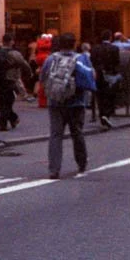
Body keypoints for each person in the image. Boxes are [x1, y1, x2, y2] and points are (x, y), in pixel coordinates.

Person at [40, 33, 96, 180]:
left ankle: (54, 169)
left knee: (56, 135)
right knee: (77, 133)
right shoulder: (81, 59)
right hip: (76, 102)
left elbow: (43, 77)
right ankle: (81, 163)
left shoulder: (51, 59)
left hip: (55, 103)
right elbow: (91, 77)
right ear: (74, 44)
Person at [0, 35, 31, 131]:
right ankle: (2, 124)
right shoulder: (14, 53)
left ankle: (13, 119)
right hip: (9, 80)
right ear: (11, 42)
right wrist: (29, 74)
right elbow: (24, 64)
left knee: (2, 102)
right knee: (8, 102)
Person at [91, 32, 121, 129]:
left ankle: (102, 114)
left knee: (100, 95)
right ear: (110, 38)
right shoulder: (114, 48)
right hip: (110, 75)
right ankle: (107, 114)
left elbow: (92, 60)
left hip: (98, 74)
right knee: (110, 95)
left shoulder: (95, 48)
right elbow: (117, 62)